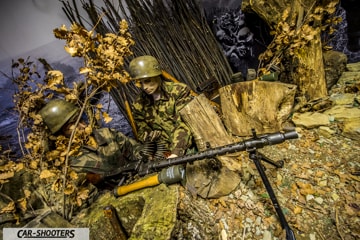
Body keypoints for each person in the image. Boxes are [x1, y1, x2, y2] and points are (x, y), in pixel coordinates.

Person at [39, 99, 147, 177]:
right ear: (62, 133)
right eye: (74, 125)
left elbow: (134, 148)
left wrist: (146, 156)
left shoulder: (106, 134)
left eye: (80, 120)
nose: (83, 126)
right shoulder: (68, 162)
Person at [128, 55, 195, 159]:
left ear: (157, 75)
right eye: (140, 83)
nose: (144, 87)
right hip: (162, 154)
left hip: (186, 146)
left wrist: (176, 153)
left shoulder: (178, 91)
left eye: (147, 81)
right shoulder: (139, 104)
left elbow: (185, 125)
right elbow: (142, 132)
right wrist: (149, 137)